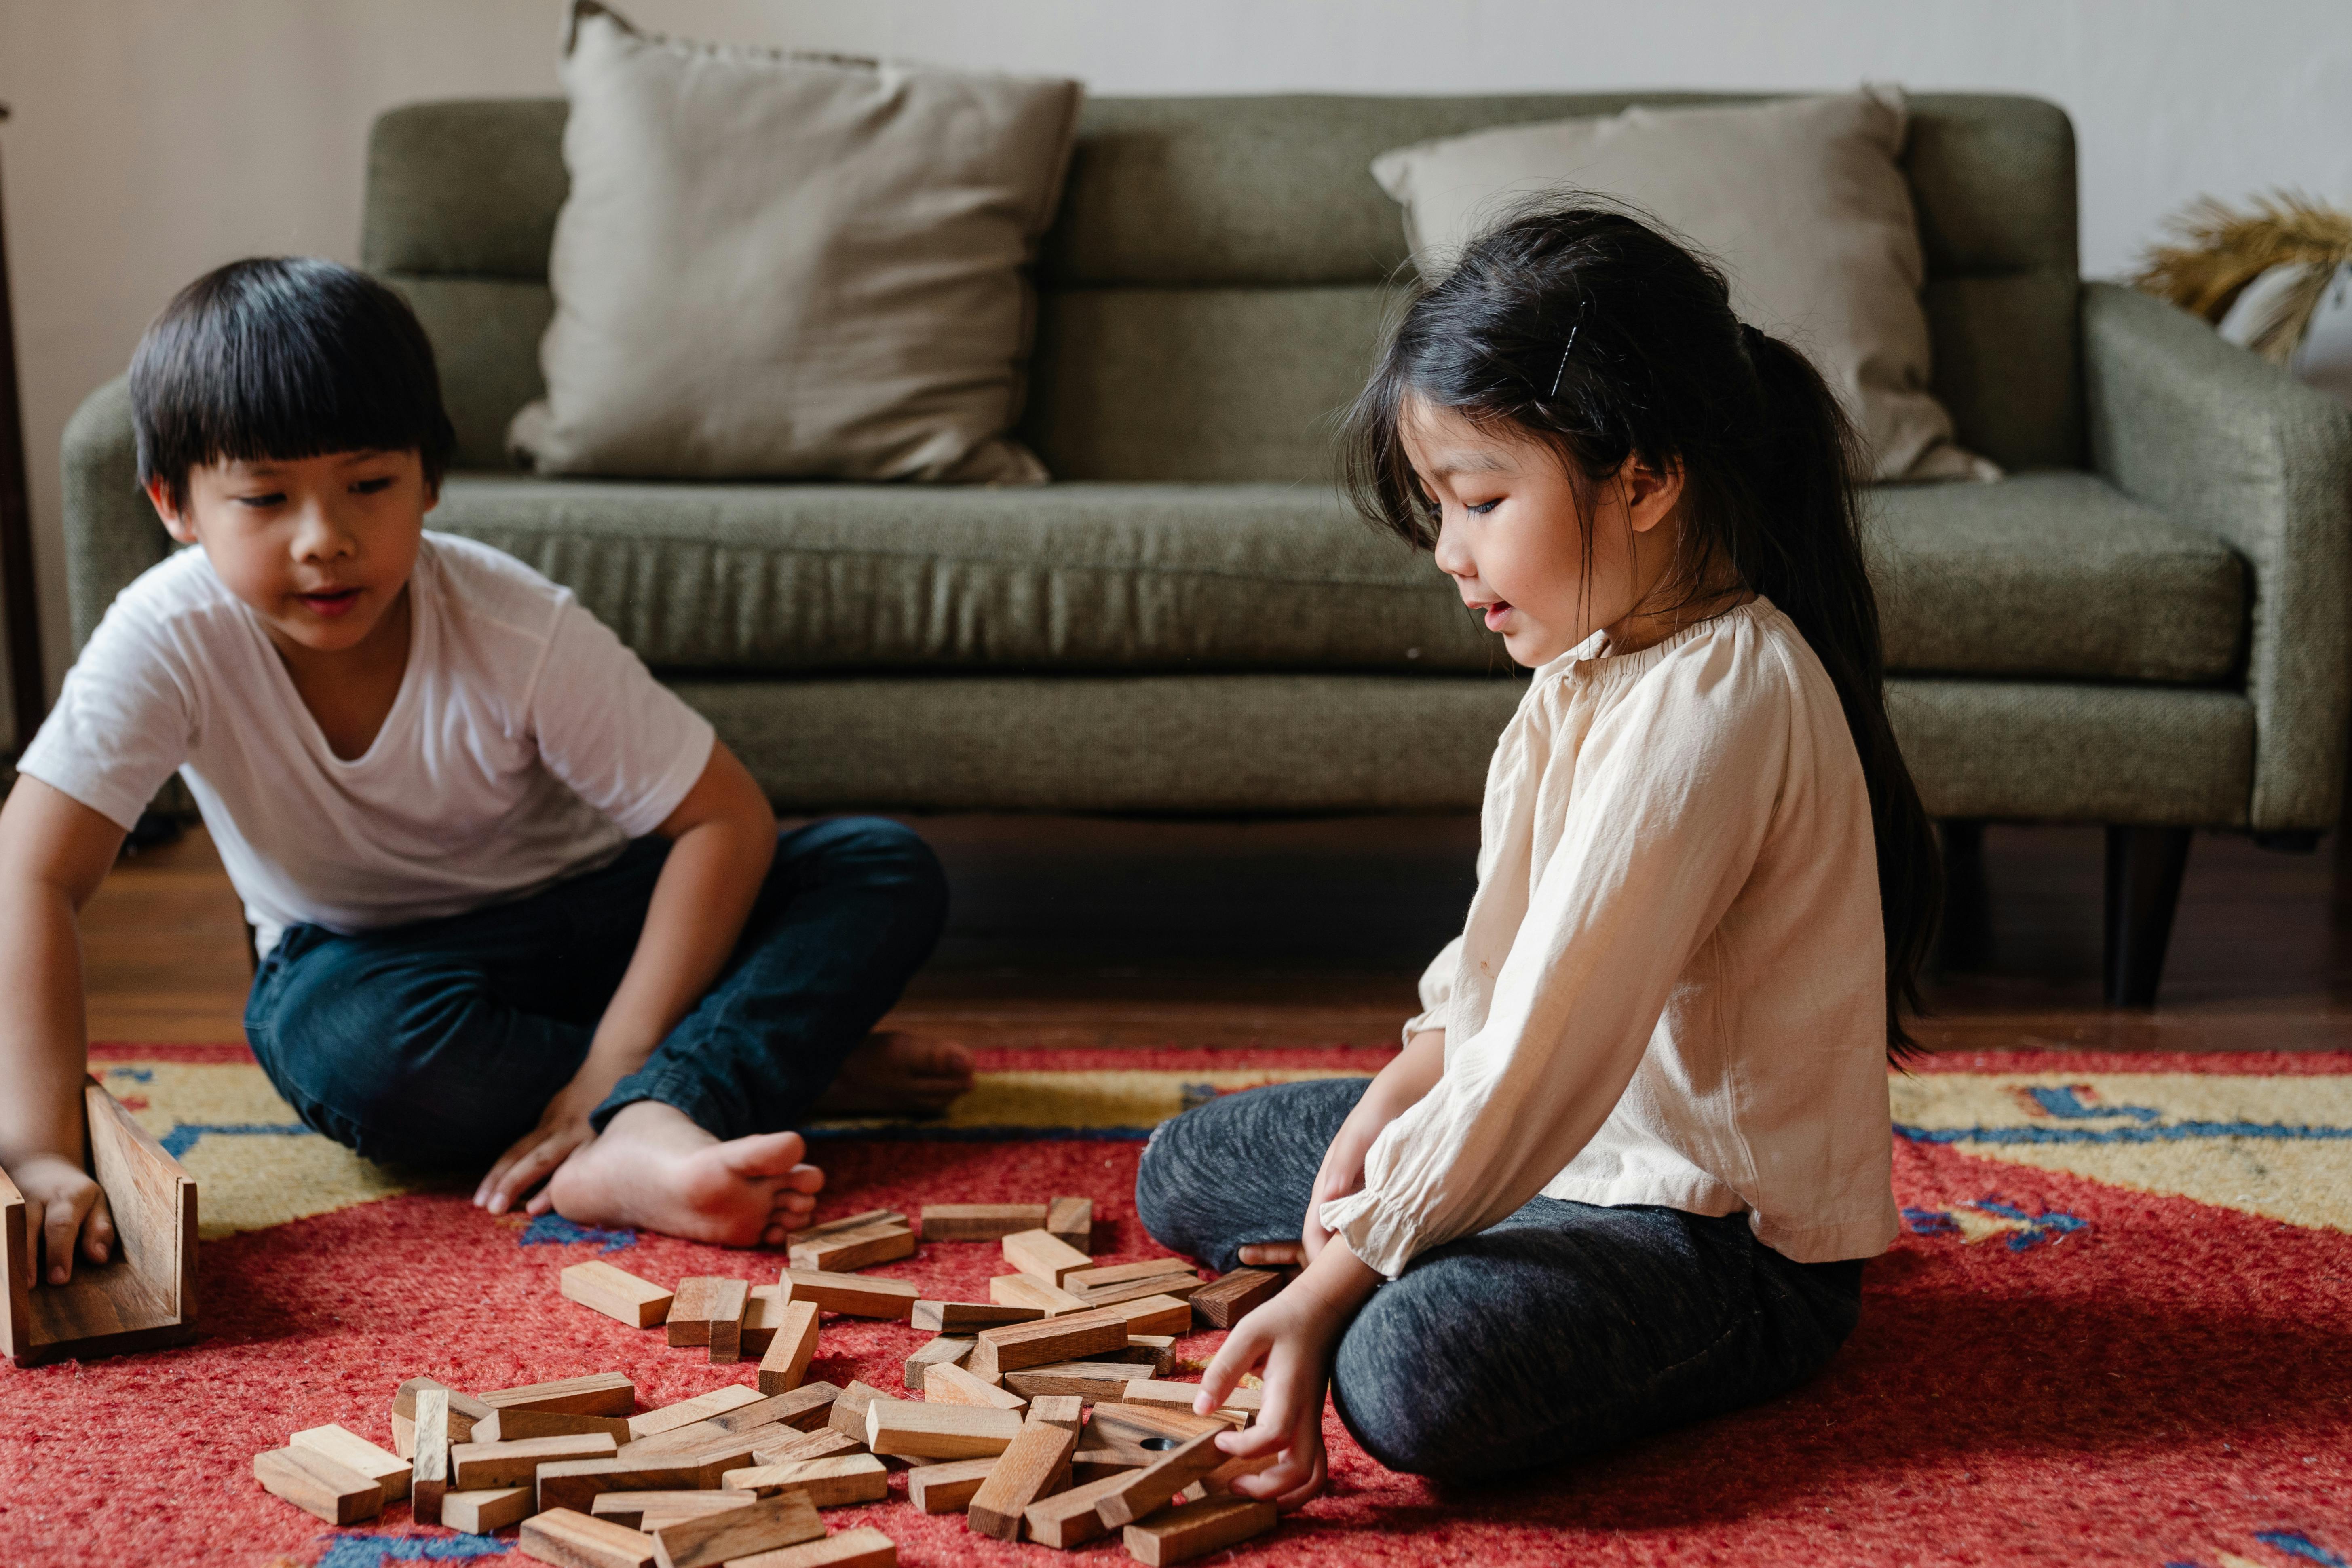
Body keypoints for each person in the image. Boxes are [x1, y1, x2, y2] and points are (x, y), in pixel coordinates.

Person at [1135, 204, 1940, 1505]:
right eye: (1440, 510)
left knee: (1404, 1373)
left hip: (1719, 1242)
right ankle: (1455, 1227)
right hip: (1563, 1158)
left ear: (1645, 475)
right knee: (1187, 1168)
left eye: (1481, 501)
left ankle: (1448, 1254)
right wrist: (1395, 1105)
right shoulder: (1587, 672)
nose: (1450, 557)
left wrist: (1340, 1278)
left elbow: (1550, 1044)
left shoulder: (1723, 701)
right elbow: (1489, 985)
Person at [0, 257, 969, 1285]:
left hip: (595, 918)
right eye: (265, 498)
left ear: (429, 477)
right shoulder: (165, 635)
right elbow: (34, 871)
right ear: (177, 506)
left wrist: (606, 1064)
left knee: (880, 865)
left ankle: (646, 1109)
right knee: (353, 1052)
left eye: (369, 485)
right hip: (378, 969)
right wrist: (39, 1147)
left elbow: (724, 819)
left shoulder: (510, 620)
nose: (325, 541)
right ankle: (741, 1070)